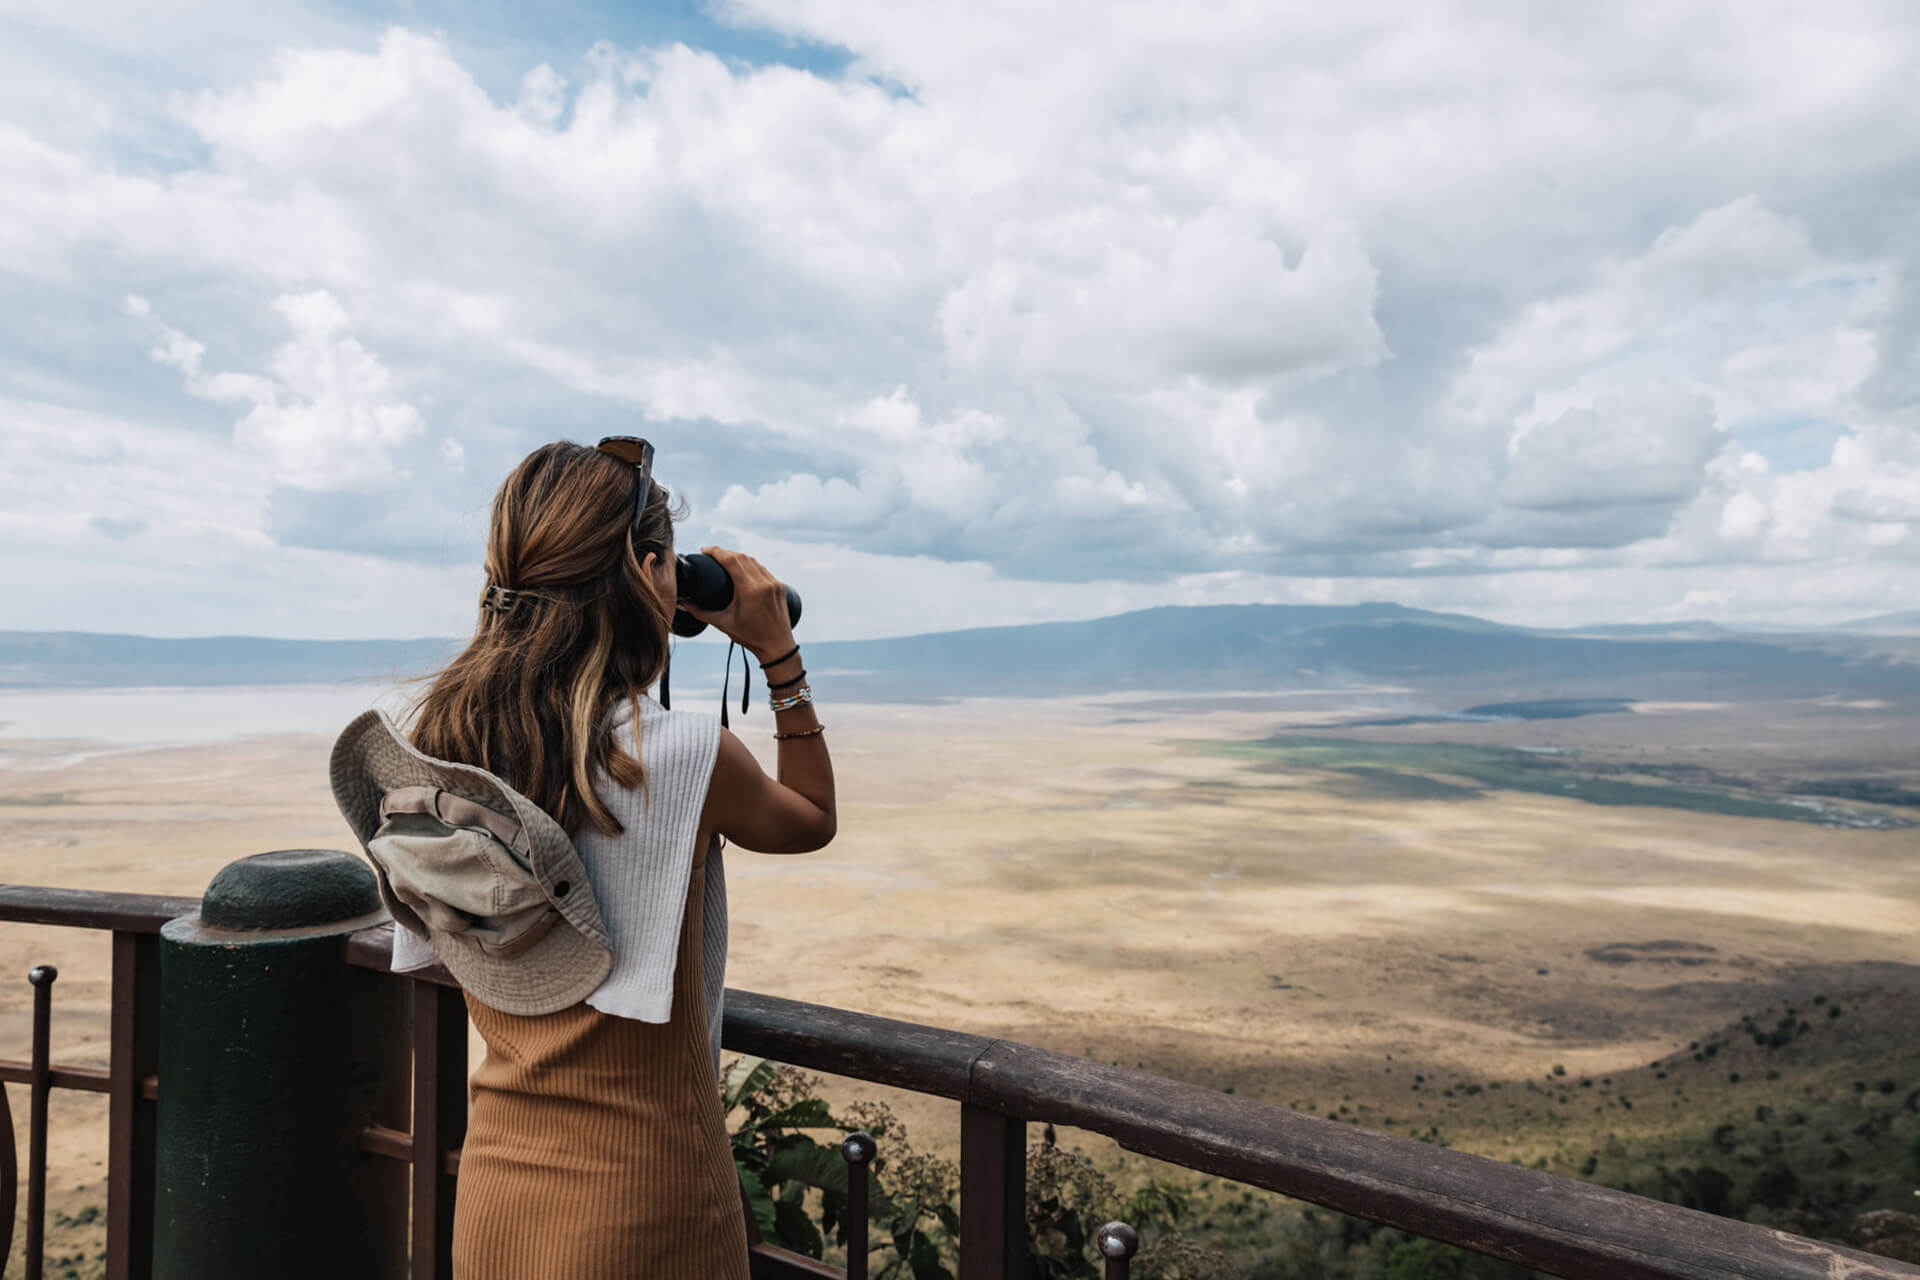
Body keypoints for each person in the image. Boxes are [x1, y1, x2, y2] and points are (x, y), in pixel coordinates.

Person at [329, 439, 836, 1279]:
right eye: (668, 566)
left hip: (498, 1185)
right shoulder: (675, 756)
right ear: (647, 575)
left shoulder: (448, 750)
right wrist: (777, 653)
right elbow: (810, 819)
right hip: (646, 1195)